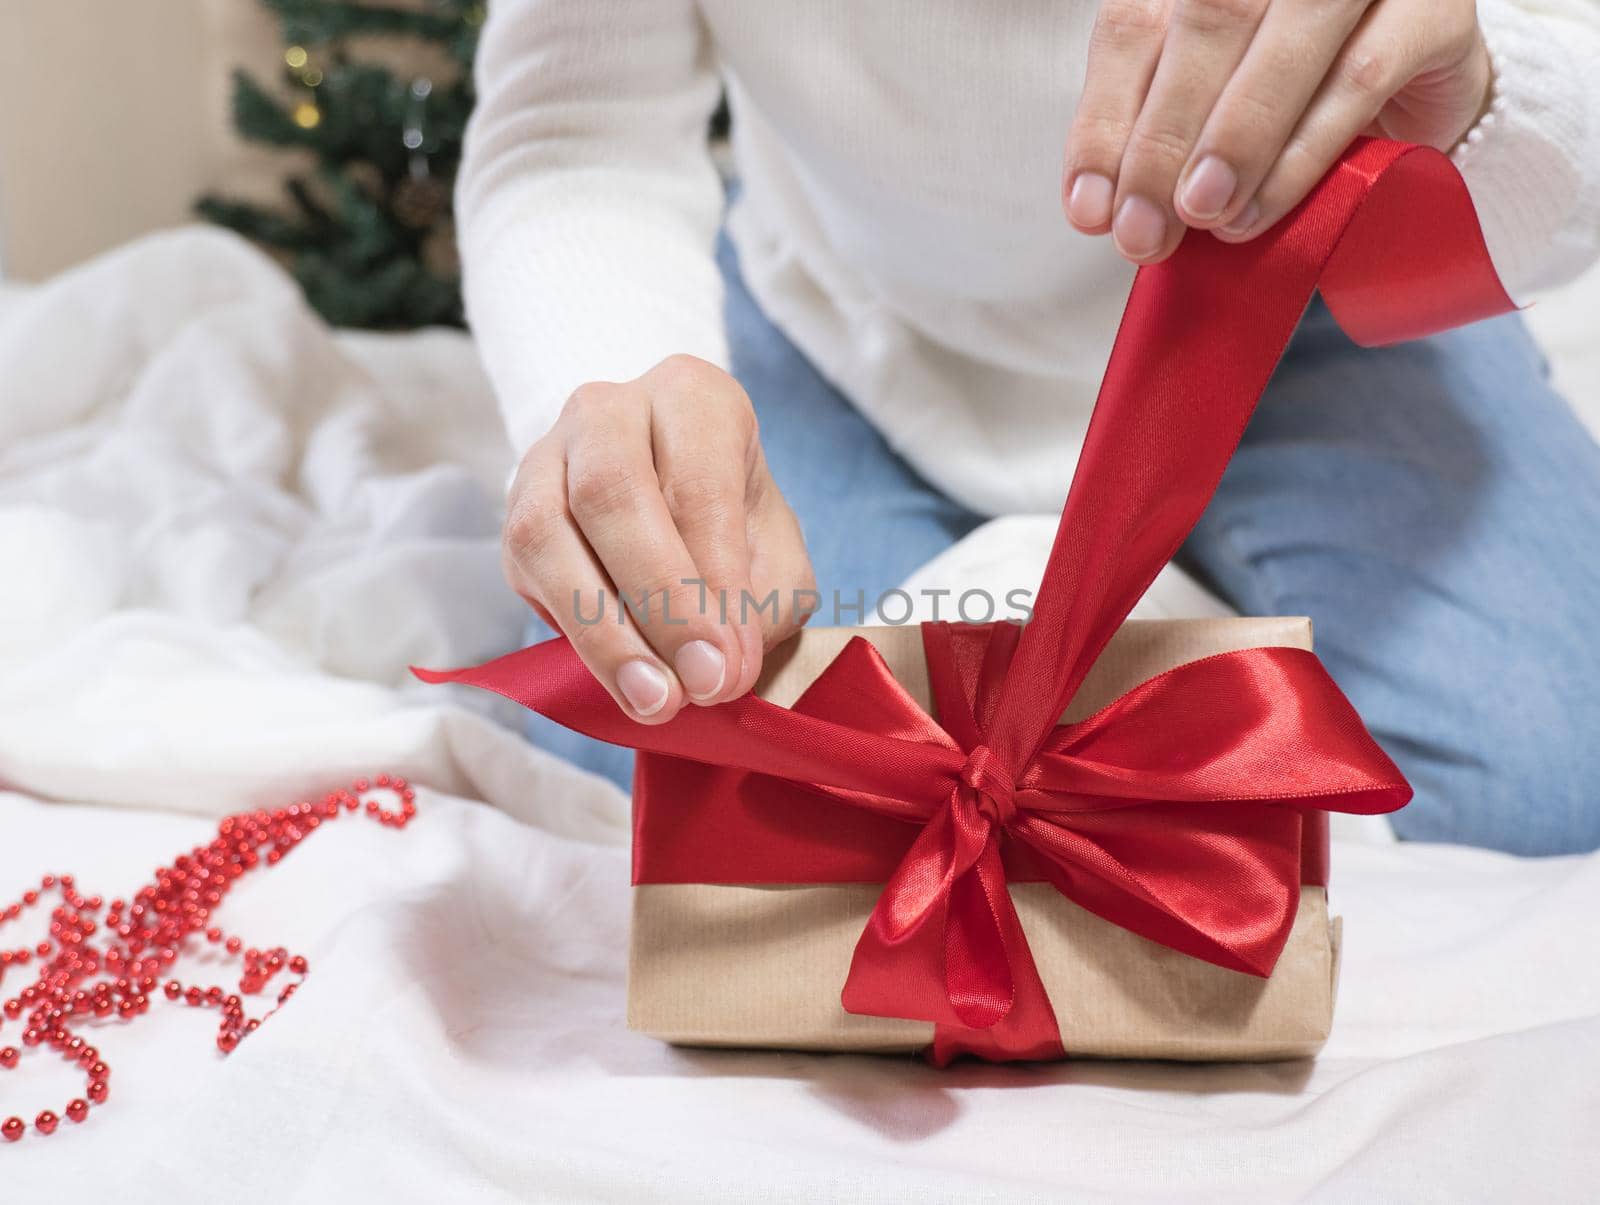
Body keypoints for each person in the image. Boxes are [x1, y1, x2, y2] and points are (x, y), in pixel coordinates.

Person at [456, 0, 1600, 854]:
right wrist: (621, 390)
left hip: (1314, 296)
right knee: (683, 764)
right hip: (837, 315)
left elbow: (1562, 114)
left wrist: (1485, 86)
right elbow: (573, 133)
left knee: (1547, 773)